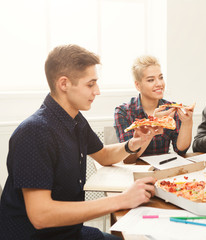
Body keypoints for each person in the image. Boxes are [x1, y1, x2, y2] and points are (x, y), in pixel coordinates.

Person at [0, 45, 160, 240]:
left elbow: (103, 155)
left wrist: (134, 143)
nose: (97, 91)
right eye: (90, 84)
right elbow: (41, 216)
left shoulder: (74, 120)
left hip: (68, 231)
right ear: (64, 84)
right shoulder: (34, 132)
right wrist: (122, 200)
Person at [114, 55, 194, 163]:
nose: (159, 84)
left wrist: (187, 123)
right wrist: (153, 124)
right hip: (135, 171)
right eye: (151, 80)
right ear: (138, 85)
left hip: (163, 169)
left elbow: (181, 150)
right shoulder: (123, 112)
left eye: (161, 77)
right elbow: (129, 158)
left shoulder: (171, 108)